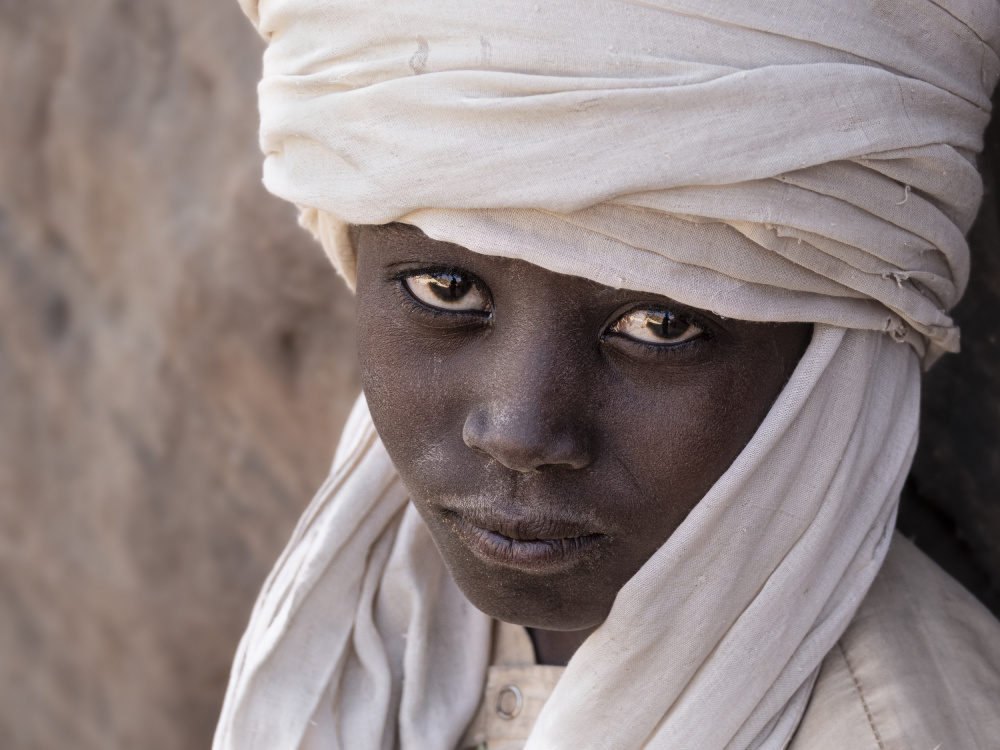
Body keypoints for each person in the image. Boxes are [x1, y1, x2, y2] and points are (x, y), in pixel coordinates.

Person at [214, 1, 1000, 748]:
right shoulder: (380, 609)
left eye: (659, 327)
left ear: (833, 364)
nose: (518, 431)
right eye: (445, 289)